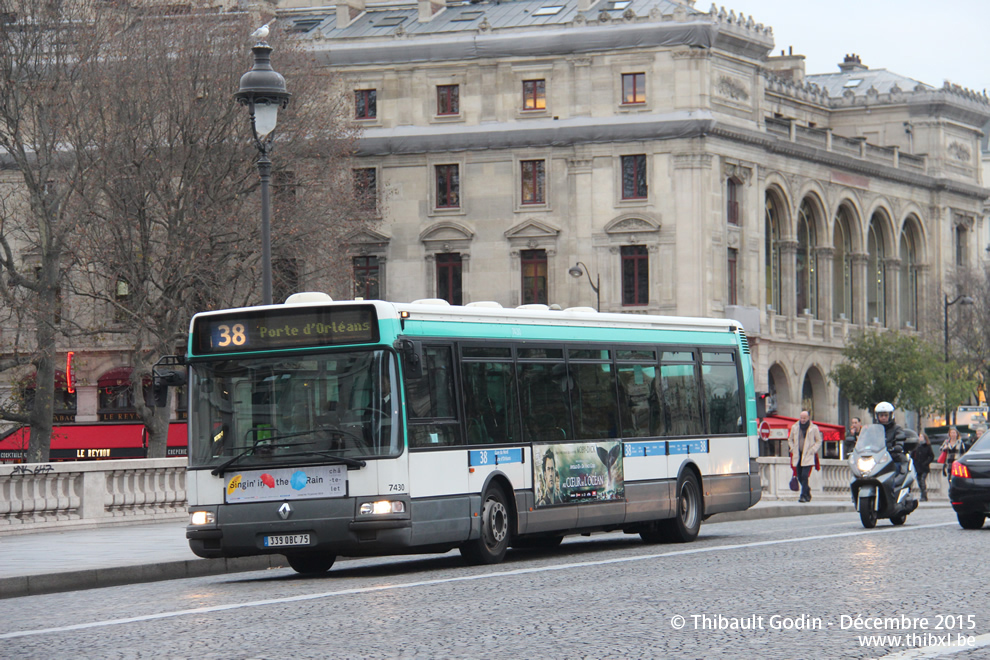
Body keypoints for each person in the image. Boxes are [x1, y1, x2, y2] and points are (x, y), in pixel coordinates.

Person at [787, 410, 822, 503]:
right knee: (799, 476)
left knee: (805, 475)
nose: (802, 420)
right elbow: (790, 439)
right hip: (798, 455)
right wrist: (792, 448)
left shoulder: (813, 428)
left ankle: (803, 495)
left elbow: (819, 440)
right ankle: (807, 492)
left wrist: (813, 450)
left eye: (804, 418)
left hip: (808, 455)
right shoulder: (795, 427)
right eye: (801, 418)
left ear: (808, 418)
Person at [874, 401, 909, 485]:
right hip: (876, 459)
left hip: (892, 457)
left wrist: (898, 446)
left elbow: (900, 438)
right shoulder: (873, 429)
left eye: (885, 415)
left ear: (891, 415)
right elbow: (866, 440)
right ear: (877, 416)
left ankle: (895, 487)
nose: (883, 417)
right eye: (881, 415)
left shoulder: (897, 429)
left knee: (896, 469)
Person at [912, 432, 934, 501]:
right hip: (917, 466)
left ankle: (923, 495)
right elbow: (912, 455)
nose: (920, 438)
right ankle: (923, 494)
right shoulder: (916, 446)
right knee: (919, 481)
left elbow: (931, 456)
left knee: (922, 480)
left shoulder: (927, 446)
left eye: (921, 437)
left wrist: (926, 463)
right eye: (919, 437)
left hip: (924, 467)